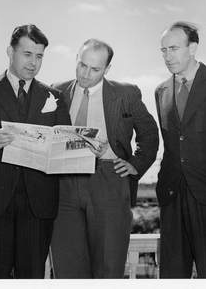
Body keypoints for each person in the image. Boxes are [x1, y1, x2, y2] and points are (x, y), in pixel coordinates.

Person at [0, 24, 71, 278]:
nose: (33, 63)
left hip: (38, 208)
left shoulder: (54, 96)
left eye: (40, 56)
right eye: (27, 54)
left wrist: (86, 150)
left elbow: (63, 149)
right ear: (10, 52)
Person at [50, 39, 159, 278]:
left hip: (109, 180)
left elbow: (149, 134)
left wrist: (135, 165)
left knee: (108, 267)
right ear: (76, 59)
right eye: (82, 65)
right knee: (67, 268)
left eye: (95, 69)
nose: (86, 74)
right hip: (64, 186)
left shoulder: (126, 93)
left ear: (107, 69)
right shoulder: (56, 91)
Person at [154, 22, 206, 278]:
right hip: (171, 197)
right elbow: (172, 144)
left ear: (193, 48)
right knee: (172, 275)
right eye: (163, 50)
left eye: (174, 48)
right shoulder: (161, 91)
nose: (168, 56)